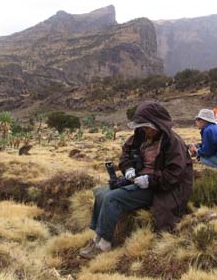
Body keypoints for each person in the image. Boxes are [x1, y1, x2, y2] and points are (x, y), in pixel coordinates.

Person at [79, 101, 193, 259]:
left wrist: (150, 180)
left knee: (112, 199)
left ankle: (104, 244)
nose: (145, 130)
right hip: (137, 180)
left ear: (157, 124)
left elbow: (175, 173)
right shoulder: (141, 135)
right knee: (100, 194)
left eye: (147, 127)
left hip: (159, 188)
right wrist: (129, 169)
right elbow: (126, 152)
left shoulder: (173, 142)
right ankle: (96, 237)